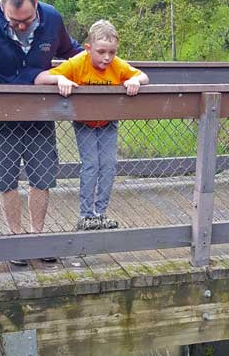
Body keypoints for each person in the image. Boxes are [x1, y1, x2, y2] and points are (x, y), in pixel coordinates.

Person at [0, 0, 82, 265]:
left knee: (42, 177)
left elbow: (73, 53)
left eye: (26, 19)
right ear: (1, 7)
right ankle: (15, 240)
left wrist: (109, 69)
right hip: (1, 116)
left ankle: (36, 238)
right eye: (13, 20)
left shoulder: (53, 18)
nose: (21, 26)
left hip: (40, 114)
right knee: (5, 179)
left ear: (36, 3)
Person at [40, 19, 149, 231]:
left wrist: (135, 81)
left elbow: (142, 75)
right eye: (101, 52)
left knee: (108, 165)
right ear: (89, 48)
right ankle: (86, 215)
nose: (107, 58)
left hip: (109, 122)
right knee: (91, 165)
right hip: (85, 123)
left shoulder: (116, 65)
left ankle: (100, 214)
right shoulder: (78, 62)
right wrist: (59, 80)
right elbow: (42, 78)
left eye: (112, 52)